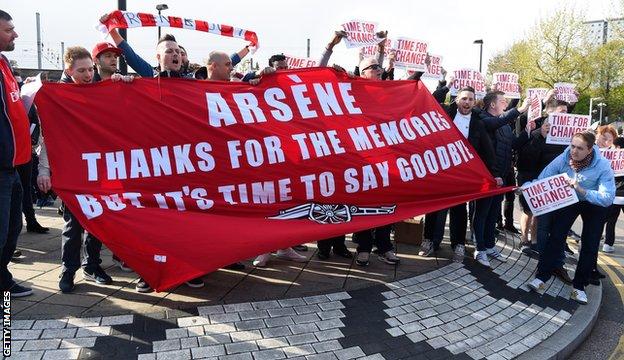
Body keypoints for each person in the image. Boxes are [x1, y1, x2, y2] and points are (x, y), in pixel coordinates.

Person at [37, 46, 120, 293]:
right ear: (68, 71)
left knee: (98, 219)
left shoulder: (100, 90)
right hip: (73, 171)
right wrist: (44, 170)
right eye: (81, 70)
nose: (87, 75)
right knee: (73, 224)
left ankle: (92, 265)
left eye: (90, 69)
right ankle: (68, 269)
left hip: (99, 168)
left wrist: (123, 81)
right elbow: (47, 138)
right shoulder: (58, 97)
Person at [528, 132, 615, 304]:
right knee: (556, 236)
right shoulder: (565, 156)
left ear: (590, 150)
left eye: (580, 148)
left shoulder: (603, 165)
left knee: (590, 243)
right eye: (572, 146)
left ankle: (579, 287)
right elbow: (544, 176)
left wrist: (582, 190)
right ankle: (542, 277)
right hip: (572, 199)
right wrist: (528, 188)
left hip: (594, 202)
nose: (574, 151)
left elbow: (607, 198)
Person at [419, 84, 497, 264]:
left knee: (459, 210)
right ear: (457, 100)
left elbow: (487, 151)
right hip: (442, 171)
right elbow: (430, 99)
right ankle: (430, 241)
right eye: (464, 98)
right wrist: (445, 85)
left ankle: (458, 244)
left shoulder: (478, 123)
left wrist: (494, 174)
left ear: (474, 102)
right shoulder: (445, 114)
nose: (467, 102)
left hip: (463, 176)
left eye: (470, 99)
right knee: (435, 208)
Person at [350, 56, 400, 267]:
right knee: (365, 205)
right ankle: (363, 247)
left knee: (387, 203)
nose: (379, 70)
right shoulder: (353, 91)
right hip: (363, 158)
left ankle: (384, 246)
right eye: (373, 68)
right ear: (363, 73)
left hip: (387, 157)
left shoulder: (388, 92)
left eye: (380, 67)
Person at [0, 10, 33, 297]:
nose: (15, 34)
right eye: (9, 29)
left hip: (15, 164)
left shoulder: (4, 63)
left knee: (12, 230)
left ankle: (3, 278)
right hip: (1, 166)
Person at [603, 136, 624, 253]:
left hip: (616, 194)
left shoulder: (612, 159)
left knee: (611, 220)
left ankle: (608, 243)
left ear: (619, 147)